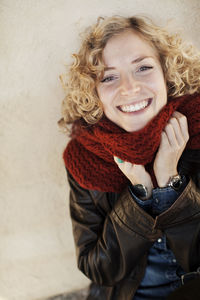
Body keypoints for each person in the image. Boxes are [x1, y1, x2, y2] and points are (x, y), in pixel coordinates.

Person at [59, 15, 200, 300]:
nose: (129, 88)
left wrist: (170, 182)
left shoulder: (197, 130)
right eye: (109, 77)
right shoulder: (83, 159)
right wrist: (141, 195)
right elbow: (97, 267)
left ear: (167, 72)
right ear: (93, 91)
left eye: (143, 68)